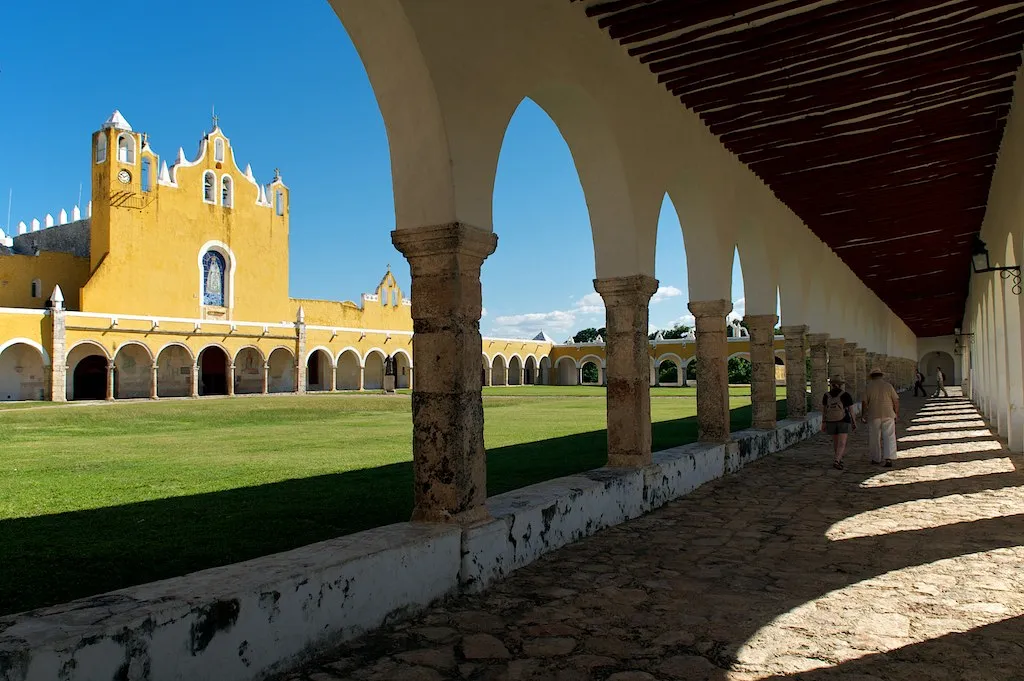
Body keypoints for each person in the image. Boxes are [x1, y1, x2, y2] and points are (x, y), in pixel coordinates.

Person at [862, 367, 900, 467]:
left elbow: (864, 403)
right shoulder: (888, 386)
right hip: (888, 413)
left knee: (874, 437)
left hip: (874, 414)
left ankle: (876, 458)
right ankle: (889, 458)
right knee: (889, 436)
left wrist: (863, 415)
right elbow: (896, 400)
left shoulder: (868, 387)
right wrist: (896, 413)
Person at [822, 376, 856, 470]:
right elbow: (851, 410)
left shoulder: (826, 395)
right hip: (843, 420)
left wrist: (823, 422)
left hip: (830, 420)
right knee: (842, 442)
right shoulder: (845, 395)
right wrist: (854, 422)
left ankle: (838, 457)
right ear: (841, 385)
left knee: (836, 442)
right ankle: (837, 460)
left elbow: (824, 410)